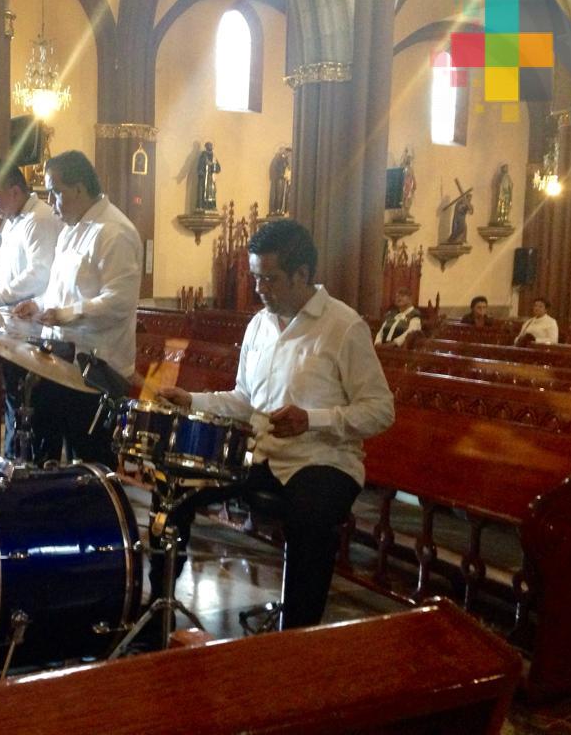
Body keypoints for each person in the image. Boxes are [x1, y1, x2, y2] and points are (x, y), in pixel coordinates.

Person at [153, 219, 394, 630]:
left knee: (310, 518)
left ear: (302, 274)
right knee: (175, 481)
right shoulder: (259, 324)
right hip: (263, 455)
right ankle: (156, 609)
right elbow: (246, 400)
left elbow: (380, 410)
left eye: (271, 278)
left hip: (325, 462)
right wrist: (190, 399)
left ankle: (296, 638)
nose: (260, 288)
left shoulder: (343, 326)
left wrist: (312, 421)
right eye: (255, 277)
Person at [13, 150, 142, 466]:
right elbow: (62, 291)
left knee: (93, 463)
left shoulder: (115, 231)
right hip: (61, 362)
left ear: (80, 188)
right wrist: (39, 304)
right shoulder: (70, 229)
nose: (53, 202)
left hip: (98, 370)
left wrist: (66, 314)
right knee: (45, 449)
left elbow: (119, 302)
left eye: (56, 192)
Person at [0, 158, 62, 459]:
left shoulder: (39, 219)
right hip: (14, 331)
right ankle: (13, 469)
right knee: (15, 411)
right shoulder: (14, 221)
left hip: (35, 335)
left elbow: (39, 273)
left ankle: (30, 478)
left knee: (32, 417)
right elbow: (4, 273)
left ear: (14, 191)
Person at [196, 141, 221, 212]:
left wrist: (212, 165)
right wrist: (201, 171)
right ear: (206, 147)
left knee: (211, 192)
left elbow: (218, 168)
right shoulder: (203, 155)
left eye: (211, 145)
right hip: (204, 178)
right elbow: (199, 166)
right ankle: (201, 206)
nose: (210, 146)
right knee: (202, 191)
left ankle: (211, 206)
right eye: (209, 145)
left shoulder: (214, 157)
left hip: (211, 178)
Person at [268, 147, 292, 215]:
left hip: (283, 180)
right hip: (278, 179)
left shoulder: (283, 159)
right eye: (285, 152)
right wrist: (282, 175)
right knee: (278, 194)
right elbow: (276, 169)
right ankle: (277, 209)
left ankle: (280, 209)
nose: (286, 154)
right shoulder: (278, 158)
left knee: (283, 195)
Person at [399, 148, 416, 221]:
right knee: (403, 200)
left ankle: (407, 212)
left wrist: (414, 183)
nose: (409, 160)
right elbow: (401, 176)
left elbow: (413, 176)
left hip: (410, 186)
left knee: (410, 200)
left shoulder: (411, 168)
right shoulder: (403, 168)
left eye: (410, 159)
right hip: (404, 186)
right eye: (407, 159)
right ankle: (403, 214)